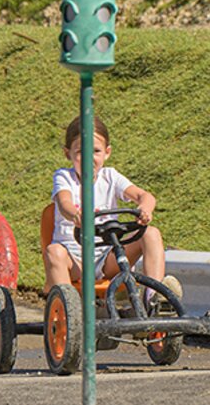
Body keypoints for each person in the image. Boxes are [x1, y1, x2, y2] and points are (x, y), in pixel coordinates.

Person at [45, 115, 178, 303]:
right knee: (53, 251)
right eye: (81, 152)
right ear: (68, 154)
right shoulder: (64, 177)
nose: (89, 158)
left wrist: (145, 209)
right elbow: (63, 201)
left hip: (107, 258)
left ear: (107, 152)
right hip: (74, 260)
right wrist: (75, 214)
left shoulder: (110, 176)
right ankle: (69, 309)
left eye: (96, 151)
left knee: (151, 233)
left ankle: (153, 296)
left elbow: (145, 196)